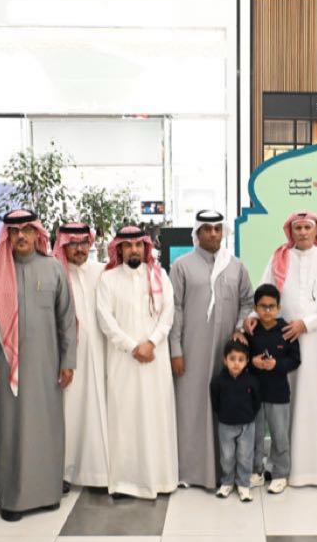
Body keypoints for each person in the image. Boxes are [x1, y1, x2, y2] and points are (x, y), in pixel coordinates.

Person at [0, 210, 76, 520]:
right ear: (7, 236)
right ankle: (11, 500)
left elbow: (67, 319)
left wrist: (68, 361)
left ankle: (47, 493)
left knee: (46, 429)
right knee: (9, 431)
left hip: (47, 365)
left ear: (38, 233)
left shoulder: (54, 268)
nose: (21, 236)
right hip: (5, 365)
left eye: (27, 230)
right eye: (14, 231)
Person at [250, 211, 317, 487]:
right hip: (284, 342)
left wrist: (307, 324)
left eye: (307, 227)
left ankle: (314, 468)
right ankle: (282, 466)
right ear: (290, 231)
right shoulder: (280, 257)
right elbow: (264, 291)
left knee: (313, 400)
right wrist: (253, 316)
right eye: (298, 228)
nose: (302, 232)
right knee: (285, 403)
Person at [169, 210, 254, 490]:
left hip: (227, 353)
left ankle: (226, 473)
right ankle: (191, 471)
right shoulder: (181, 266)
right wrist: (175, 350)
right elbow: (174, 309)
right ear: (197, 232)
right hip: (191, 350)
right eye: (207, 229)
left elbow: (247, 301)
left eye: (217, 228)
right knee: (191, 407)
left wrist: (239, 329)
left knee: (226, 406)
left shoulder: (236, 266)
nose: (213, 234)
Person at [96, 225, 180, 499]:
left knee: (156, 417)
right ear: (119, 249)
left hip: (155, 359)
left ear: (145, 247)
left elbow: (168, 313)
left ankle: (161, 479)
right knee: (125, 419)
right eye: (128, 245)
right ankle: (125, 482)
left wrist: (151, 343)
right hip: (124, 362)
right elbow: (105, 320)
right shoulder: (108, 279)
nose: (134, 250)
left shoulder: (160, 275)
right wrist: (133, 347)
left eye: (138, 245)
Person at [54, 221, 111, 490]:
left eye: (83, 243)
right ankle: (64, 472)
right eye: (73, 244)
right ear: (63, 245)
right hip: (69, 357)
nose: (79, 249)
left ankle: (98, 473)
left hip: (101, 353)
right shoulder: (56, 272)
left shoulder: (102, 271)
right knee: (71, 412)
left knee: (98, 411)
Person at [247, 283, 301, 494]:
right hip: (255, 395)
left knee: (280, 436)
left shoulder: (286, 330)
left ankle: (280, 474)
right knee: (255, 435)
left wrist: (276, 364)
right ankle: (257, 471)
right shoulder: (251, 331)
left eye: (272, 306)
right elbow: (242, 359)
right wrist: (253, 362)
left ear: (278, 308)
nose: (267, 311)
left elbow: (295, 360)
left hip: (278, 394)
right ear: (255, 307)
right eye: (263, 306)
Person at [209, 339, 263, 501]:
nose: (236, 363)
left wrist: (249, 415)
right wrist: (223, 414)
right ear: (225, 360)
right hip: (225, 425)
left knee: (245, 455)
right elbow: (216, 402)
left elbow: (256, 402)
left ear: (247, 361)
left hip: (247, 425)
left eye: (241, 359)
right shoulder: (218, 382)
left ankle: (243, 484)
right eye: (232, 359)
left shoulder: (252, 381)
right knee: (227, 456)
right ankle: (227, 482)